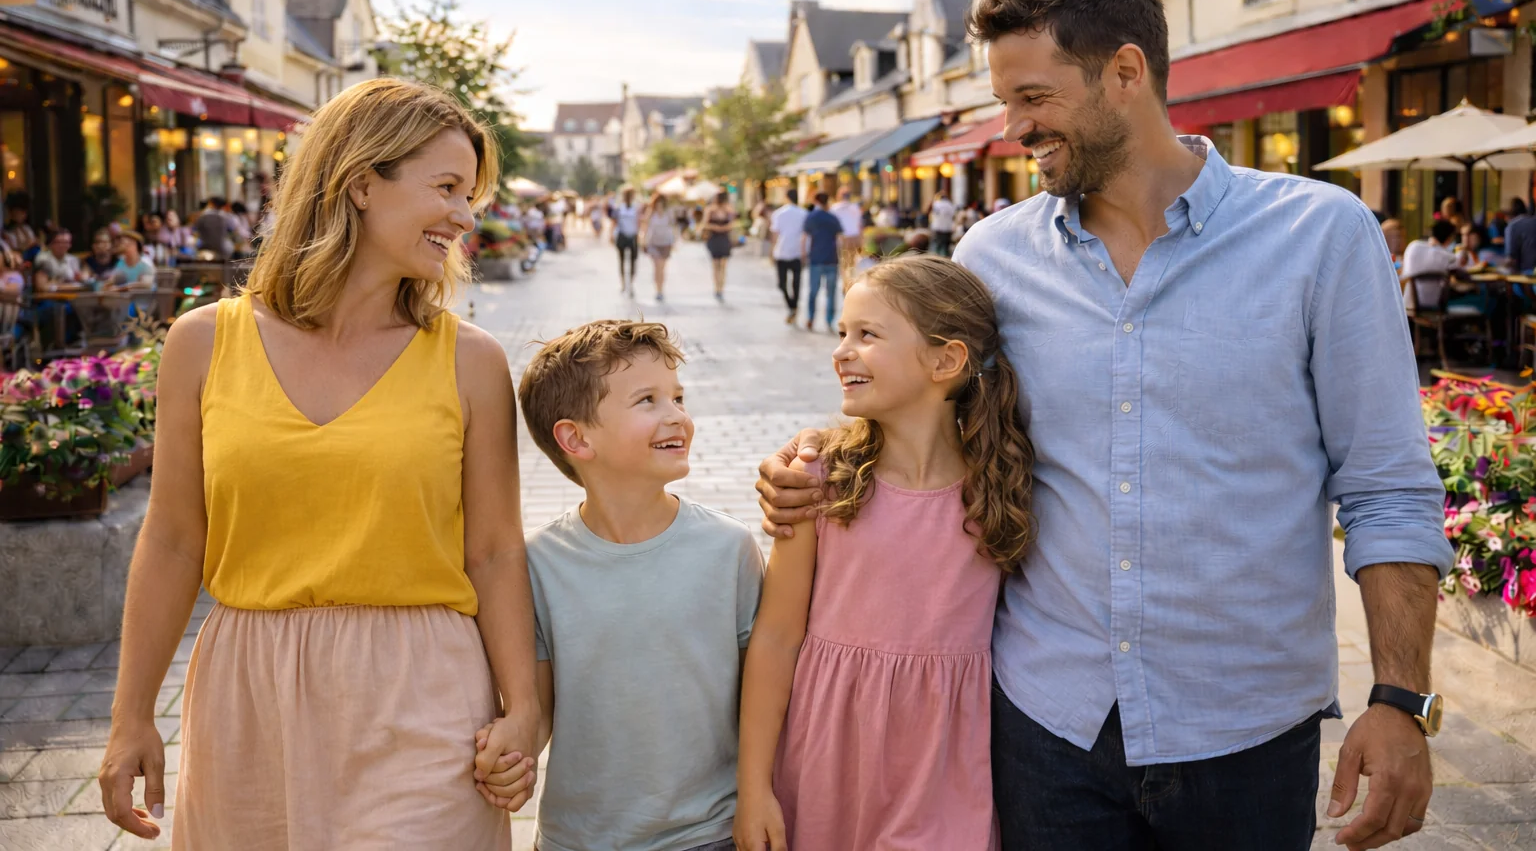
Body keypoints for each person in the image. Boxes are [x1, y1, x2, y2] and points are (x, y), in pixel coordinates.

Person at [757, 0, 1450, 851]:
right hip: (1047, 724)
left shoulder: (1322, 238)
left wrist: (1401, 700)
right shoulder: (991, 256)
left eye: (1034, 98)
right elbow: (921, 407)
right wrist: (812, 462)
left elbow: (1388, 485)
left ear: (1126, 73)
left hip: (1247, 729)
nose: (1012, 128)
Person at [98, 78, 541, 847]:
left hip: (424, 690)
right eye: (446, 188)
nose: (465, 218)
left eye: (470, 196)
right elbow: (171, 538)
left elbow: (496, 549)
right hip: (249, 693)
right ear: (361, 182)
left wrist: (524, 705)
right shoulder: (204, 342)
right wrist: (130, 717)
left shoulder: (469, 362)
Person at [735, 256, 1029, 851]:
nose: (841, 350)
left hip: (944, 771)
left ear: (945, 360)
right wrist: (752, 786)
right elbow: (775, 636)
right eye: (842, 332)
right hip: (824, 759)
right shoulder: (820, 481)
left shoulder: (1000, 487)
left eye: (867, 335)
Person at [477, 320, 762, 851]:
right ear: (576, 438)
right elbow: (537, 712)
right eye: (648, 400)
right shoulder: (539, 565)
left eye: (678, 397)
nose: (677, 414)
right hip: (577, 839)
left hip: (709, 835)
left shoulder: (729, 549)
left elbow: (760, 701)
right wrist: (510, 761)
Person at [1402, 218, 1469, 310]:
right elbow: (1461, 262)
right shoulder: (1445, 256)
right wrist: (1463, 250)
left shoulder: (1413, 247)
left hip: (1408, 305)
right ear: (1449, 239)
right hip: (1434, 307)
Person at [801, 192, 843, 333]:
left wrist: (803, 254)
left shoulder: (811, 217)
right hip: (832, 259)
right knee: (831, 293)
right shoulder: (833, 218)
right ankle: (829, 320)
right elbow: (840, 240)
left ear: (815, 200)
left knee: (813, 291)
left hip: (816, 258)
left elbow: (805, 238)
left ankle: (811, 318)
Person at [770, 194, 808, 325]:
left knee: (785, 283)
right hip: (793, 252)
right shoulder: (803, 213)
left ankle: (793, 307)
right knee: (793, 283)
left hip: (785, 252)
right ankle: (793, 306)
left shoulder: (779, 213)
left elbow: (774, 235)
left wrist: (771, 252)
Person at [641, 192, 677, 303]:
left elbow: (674, 227)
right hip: (654, 243)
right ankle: (658, 290)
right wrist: (643, 240)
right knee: (657, 267)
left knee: (662, 268)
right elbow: (645, 227)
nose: (659, 205)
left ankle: (661, 289)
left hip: (666, 243)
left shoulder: (669, 213)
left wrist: (674, 241)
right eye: (658, 203)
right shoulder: (651, 212)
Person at [702, 191, 735, 302]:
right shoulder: (710, 210)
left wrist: (723, 228)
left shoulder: (728, 210)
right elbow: (705, 224)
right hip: (714, 238)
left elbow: (732, 224)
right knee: (716, 264)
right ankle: (717, 288)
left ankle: (721, 288)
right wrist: (716, 227)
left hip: (724, 238)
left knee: (723, 265)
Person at [613, 186, 641, 295]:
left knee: (633, 261)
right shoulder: (619, 207)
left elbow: (639, 222)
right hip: (622, 236)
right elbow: (615, 222)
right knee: (622, 261)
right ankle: (624, 284)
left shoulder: (636, 207)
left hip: (633, 236)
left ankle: (630, 284)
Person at [4, 191, 37, 258]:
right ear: (12, 213)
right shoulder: (6, 232)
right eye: (20, 212)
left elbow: (34, 241)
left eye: (25, 213)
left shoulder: (27, 228)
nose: (24, 215)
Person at [928, 188, 957, 257]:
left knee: (937, 245)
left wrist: (935, 196)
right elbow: (954, 217)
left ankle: (935, 259)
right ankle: (945, 260)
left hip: (937, 227)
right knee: (945, 246)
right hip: (947, 228)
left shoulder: (936, 204)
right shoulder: (950, 205)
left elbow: (928, 210)